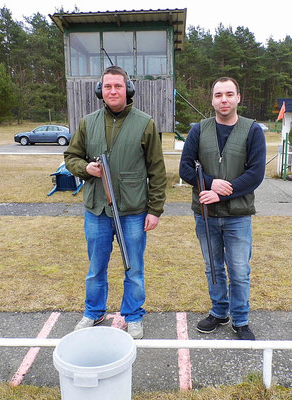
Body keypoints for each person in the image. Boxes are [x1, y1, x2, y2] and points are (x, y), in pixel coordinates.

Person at [65, 66, 167, 339]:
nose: (112, 91)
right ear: (101, 90)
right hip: (97, 209)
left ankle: (133, 316)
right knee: (95, 267)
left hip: (133, 211)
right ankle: (94, 311)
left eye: (118, 86)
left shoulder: (145, 123)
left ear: (128, 89)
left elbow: (157, 170)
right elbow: (70, 157)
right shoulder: (88, 123)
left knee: (133, 267)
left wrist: (155, 210)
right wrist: (86, 169)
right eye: (107, 86)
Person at [179, 77, 266, 340]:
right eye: (218, 95)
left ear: (239, 97)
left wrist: (222, 193)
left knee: (239, 270)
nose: (224, 99)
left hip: (238, 216)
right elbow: (185, 168)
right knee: (213, 267)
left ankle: (241, 320)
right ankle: (219, 312)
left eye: (229, 94)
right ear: (212, 99)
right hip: (205, 215)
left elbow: (256, 173)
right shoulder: (199, 130)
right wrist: (208, 183)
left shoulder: (252, 130)